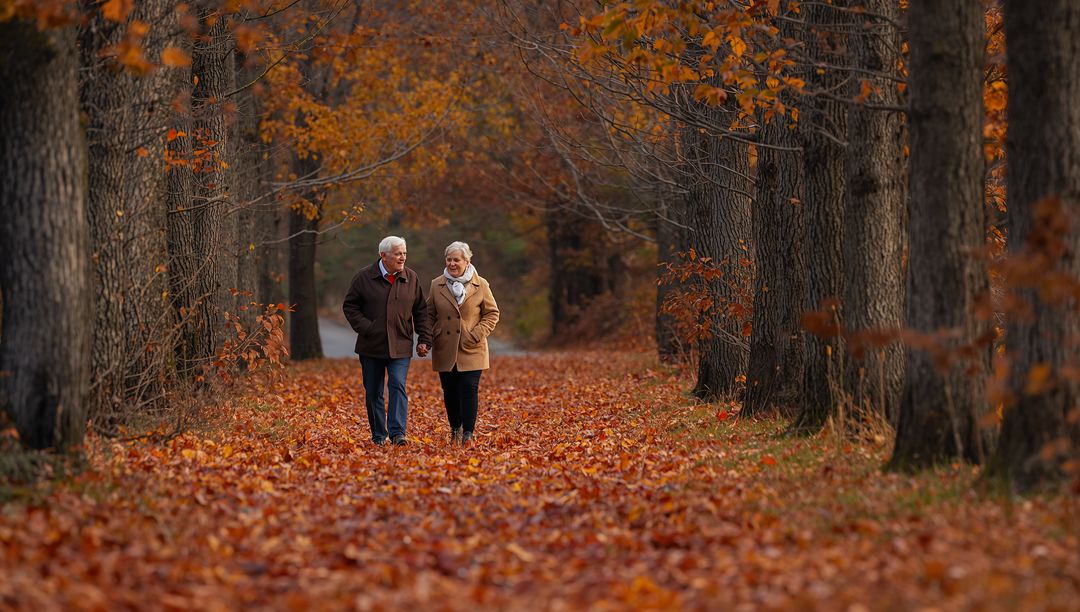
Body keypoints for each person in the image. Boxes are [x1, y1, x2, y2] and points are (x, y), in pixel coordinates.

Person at [343, 236, 432, 446]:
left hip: (401, 344)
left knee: (397, 385)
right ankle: (378, 435)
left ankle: (398, 433)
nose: (403, 258)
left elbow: (420, 310)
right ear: (383, 255)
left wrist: (424, 339)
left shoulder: (411, 277)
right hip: (371, 346)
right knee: (373, 391)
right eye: (398, 254)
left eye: (405, 253)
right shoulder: (364, 277)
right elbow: (350, 307)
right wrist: (368, 328)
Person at [426, 241, 500, 445]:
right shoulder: (436, 284)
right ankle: (455, 428)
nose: (452, 263)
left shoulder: (481, 284)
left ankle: (468, 432)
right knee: (450, 391)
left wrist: (476, 334)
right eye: (449, 259)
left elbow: (492, 314)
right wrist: (432, 334)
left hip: (472, 346)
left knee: (469, 387)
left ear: (467, 261)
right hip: (445, 347)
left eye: (456, 260)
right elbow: (428, 314)